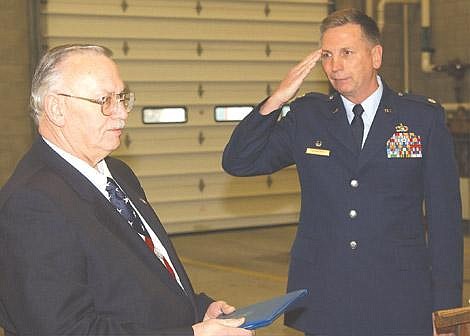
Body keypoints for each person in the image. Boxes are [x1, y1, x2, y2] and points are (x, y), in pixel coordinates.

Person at [222, 8, 462, 336]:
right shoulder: (309, 117)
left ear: (375, 55)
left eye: (347, 53)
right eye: (327, 55)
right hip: (326, 295)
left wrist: (446, 306)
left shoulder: (421, 118)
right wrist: (277, 98)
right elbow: (239, 161)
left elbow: (444, 219)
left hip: (400, 295)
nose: (335, 66)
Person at [0, 44, 254, 336]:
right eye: (105, 101)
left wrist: (197, 311)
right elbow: (66, 330)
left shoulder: (118, 174)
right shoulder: (33, 203)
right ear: (57, 108)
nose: (121, 114)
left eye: (122, 98)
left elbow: (132, 281)